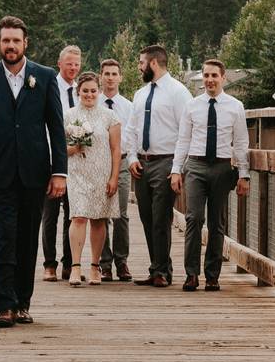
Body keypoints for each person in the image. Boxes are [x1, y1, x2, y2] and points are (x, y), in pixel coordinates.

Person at [0, 16, 68, 328]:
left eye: (16, 40)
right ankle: (5, 305)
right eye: (5, 40)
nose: (10, 46)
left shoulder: (46, 76)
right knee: (5, 238)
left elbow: (57, 127)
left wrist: (59, 173)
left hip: (36, 173)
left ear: (25, 43)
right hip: (0, 173)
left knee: (27, 239)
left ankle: (24, 303)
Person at [170, 59, 250, 292]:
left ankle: (212, 275)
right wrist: (176, 169)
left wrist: (244, 174)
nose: (209, 80)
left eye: (214, 75)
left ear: (223, 78)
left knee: (217, 222)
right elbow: (183, 140)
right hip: (195, 166)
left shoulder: (235, 106)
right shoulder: (192, 106)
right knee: (193, 218)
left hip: (222, 168)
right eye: (206, 76)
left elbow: (242, 142)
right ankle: (191, 274)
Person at [124, 44, 191, 288]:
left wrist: (177, 168)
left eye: (141, 62)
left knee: (161, 218)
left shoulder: (178, 92)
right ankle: (156, 268)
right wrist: (131, 157)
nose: (139, 67)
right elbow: (131, 128)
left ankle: (162, 271)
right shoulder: (140, 94)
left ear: (153, 63)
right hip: (142, 161)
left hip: (166, 160)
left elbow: (186, 131)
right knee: (146, 217)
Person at [63, 72, 121, 286]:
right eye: (85, 90)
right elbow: (60, 149)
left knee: (98, 219)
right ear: (78, 91)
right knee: (77, 217)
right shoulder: (68, 116)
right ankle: (76, 268)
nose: (89, 94)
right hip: (77, 173)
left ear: (99, 91)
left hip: (102, 173)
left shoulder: (110, 116)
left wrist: (114, 177)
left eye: (93, 91)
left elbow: (116, 149)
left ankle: (95, 267)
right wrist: (75, 147)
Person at [42, 44, 81, 282]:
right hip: (50, 158)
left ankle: (70, 263)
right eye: (69, 64)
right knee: (50, 214)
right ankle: (49, 264)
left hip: (76, 161)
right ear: (60, 64)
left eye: (77, 64)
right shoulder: (48, 85)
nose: (73, 68)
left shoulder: (81, 91)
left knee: (73, 213)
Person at [97, 58, 133, 282]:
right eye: (106, 74)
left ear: (120, 77)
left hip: (122, 164)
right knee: (101, 214)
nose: (110, 78)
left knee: (121, 214)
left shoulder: (128, 106)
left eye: (114, 74)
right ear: (101, 77)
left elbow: (133, 136)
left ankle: (122, 262)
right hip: (98, 165)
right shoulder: (93, 102)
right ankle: (104, 263)